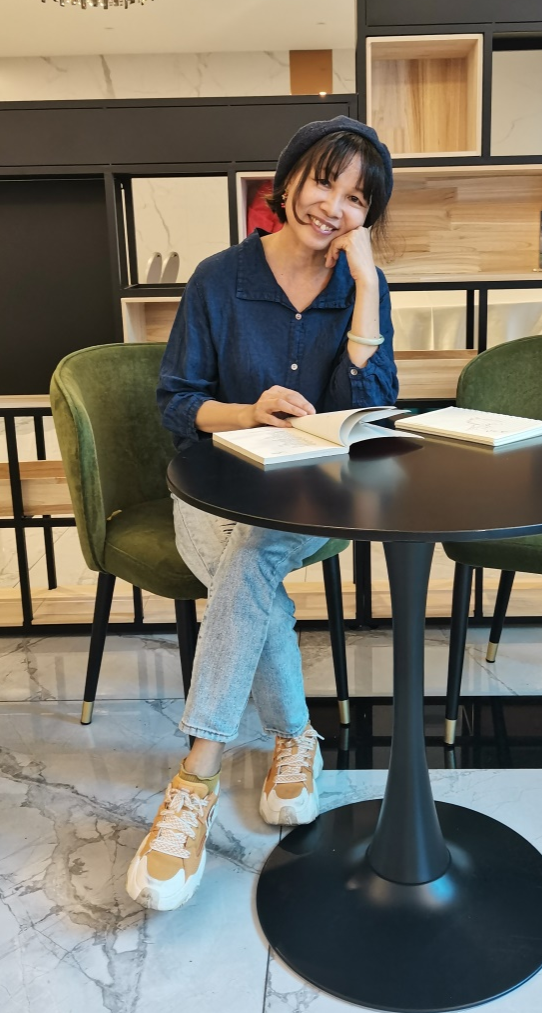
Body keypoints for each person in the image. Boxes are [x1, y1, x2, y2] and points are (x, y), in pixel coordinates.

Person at [126, 115, 397, 911]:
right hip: (211, 494)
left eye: (357, 198)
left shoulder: (360, 286)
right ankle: (294, 737)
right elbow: (177, 403)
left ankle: (196, 778)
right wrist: (247, 412)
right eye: (325, 182)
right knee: (248, 567)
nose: (335, 207)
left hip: (312, 500)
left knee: (252, 558)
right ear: (287, 183)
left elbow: (373, 417)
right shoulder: (219, 278)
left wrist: (368, 290)